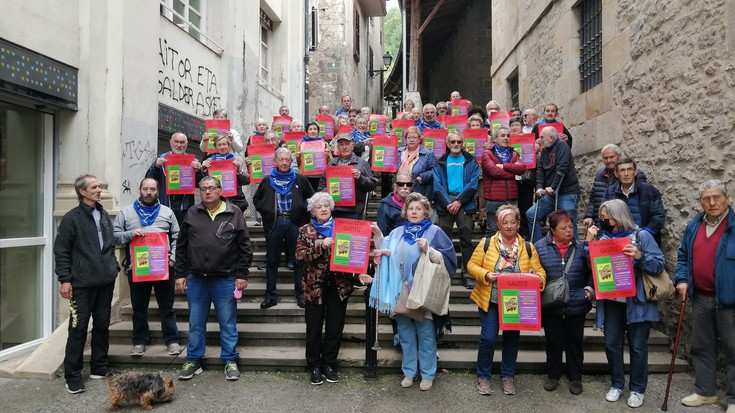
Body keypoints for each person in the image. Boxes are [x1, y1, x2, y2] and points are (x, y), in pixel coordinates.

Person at [372, 193, 457, 391]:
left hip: (423, 292)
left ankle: (428, 374)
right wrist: (378, 237)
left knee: (426, 334)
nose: (414, 212)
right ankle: (409, 372)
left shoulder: (435, 232)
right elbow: (384, 249)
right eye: (411, 208)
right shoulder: (397, 232)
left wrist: (430, 250)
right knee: (405, 334)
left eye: (418, 209)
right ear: (405, 211)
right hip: (399, 290)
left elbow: (448, 260)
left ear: (426, 212)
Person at [585, 199, 663, 408]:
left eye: (606, 218)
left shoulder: (642, 235)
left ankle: (637, 389)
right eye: (602, 218)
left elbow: (658, 264)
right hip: (611, 301)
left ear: (618, 216)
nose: (603, 221)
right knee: (612, 344)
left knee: (638, 347)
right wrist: (588, 242)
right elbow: (589, 266)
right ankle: (617, 384)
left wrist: (639, 256)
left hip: (636, 301)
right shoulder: (602, 237)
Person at [175, 176, 252, 382]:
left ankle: (229, 360)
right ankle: (193, 360)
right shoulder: (192, 213)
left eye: (211, 188)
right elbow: (181, 246)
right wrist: (180, 274)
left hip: (225, 278)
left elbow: (245, 247)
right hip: (197, 279)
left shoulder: (234, 213)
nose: (207, 192)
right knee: (196, 323)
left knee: (227, 323)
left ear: (220, 191)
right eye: (203, 189)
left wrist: (242, 274)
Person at [467, 204, 546, 396]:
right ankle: (483, 376)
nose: (509, 226)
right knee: (489, 338)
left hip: (515, 303)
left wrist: (537, 279)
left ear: (518, 224)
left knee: (512, 340)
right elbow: (471, 265)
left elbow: (541, 272)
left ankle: (508, 376)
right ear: (498, 224)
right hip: (490, 299)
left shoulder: (528, 247)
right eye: (505, 222)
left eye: (513, 222)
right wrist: (485, 274)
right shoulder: (487, 243)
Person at [296, 192, 373, 385]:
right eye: (318, 207)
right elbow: (299, 256)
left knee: (335, 327)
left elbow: (355, 255)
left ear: (331, 208)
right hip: (314, 286)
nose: (322, 209)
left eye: (325, 206)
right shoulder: (305, 230)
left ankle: (329, 364)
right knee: (313, 328)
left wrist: (360, 272)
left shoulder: (344, 227)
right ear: (312, 211)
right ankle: (314, 365)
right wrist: (320, 245)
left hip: (339, 286)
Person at [54, 174, 120, 394]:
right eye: (94, 187)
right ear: (82, 192)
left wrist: (114, 267)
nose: (99, 189)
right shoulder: (71, 218)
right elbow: (61, 250)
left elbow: (109, 244)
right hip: (81, 285)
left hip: (105, 281)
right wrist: (64, 279)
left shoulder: (102, 214)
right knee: (79, 328)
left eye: (99, 186)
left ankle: (99, 367)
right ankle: (72, 376)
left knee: (102, 325)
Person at [674, 180, 735, 412]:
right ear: (701, 202)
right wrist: (681, 279)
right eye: (706, 199)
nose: (712, 203)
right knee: (701, 346)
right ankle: (705, 392)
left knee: (734, 350)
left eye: (717, 197)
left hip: (730, 300)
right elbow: (682, 257)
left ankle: (734, 399)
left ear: (727, 198)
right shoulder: (694, 225)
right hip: (701, 298)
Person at [113, 178, 181, 357]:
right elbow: (114, 236)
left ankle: (172, 340)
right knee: (139, 308)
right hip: (138, 268)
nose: (149, 192)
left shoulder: (167, 212)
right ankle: (139, 341)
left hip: (164, 268)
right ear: (140, 190)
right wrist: (130, 234)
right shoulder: (126, 213)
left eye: (152, 189)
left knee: (167, 307)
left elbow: (178, 238)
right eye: (145, 189)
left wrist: (173, 259)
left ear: (158, 191)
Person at [535, 210, 593, 395]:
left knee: (575, 341)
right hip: (551, 305)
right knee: (553, 341)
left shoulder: (582, 247)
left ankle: (575, 377)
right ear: (552, 230)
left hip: (577, 303)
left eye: (570, 226)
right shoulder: (539, 247)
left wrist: (589, 290)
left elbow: (594, 269)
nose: (569, 231)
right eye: (564, 227)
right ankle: (553, 374)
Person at [254, 148, 315, 309]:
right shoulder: (267, 180)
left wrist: (302, 210)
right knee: (272, 261)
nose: (284, 162)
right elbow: (257, 199)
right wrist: (266, 211)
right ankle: (271, 296)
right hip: (275, 223)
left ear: (291, 161)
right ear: (275, 161)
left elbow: (312, 198)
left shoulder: (300, 179)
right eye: (281, 159)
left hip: (295, 223)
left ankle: (300, 294)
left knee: (297, 261)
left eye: (287, 159)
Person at [433, 131, 480, 290]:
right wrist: (448, 203)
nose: (455, 145)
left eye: (459, 142)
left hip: (464, 204)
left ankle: (467, 274)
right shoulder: (440, 162)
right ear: (447, 143)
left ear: (463, 143)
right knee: (444, 242)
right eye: (452, 142)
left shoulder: (471, 161)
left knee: (466, 241)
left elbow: (473, 184)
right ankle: (445, 272)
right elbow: (437, 186)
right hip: (445, 203)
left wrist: (459, 201)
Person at [526, 126, 580, 243]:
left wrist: (553, 187)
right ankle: (539, 246)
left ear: (551, 138)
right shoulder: (545, 149)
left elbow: (562, 168)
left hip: (567, 192)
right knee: (531, 214)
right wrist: (539, 187)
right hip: (551, 194)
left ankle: (575, 249)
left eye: (542, 137)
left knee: (568, 221)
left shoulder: (562, 146)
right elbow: (540, 170)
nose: (539, 139)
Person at [146, 132, 204, 225]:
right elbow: (148, 180)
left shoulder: (194, 162)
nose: (179, 145)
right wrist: (156, 167)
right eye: (176, 142)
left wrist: (198, 171)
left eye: (182, 142)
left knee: (183, 236)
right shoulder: (161, 159)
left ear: (186, 144)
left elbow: (201, 185)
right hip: (164, 207)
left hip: (185, 208)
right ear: (170, 143)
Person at [602, 158, 665, 246]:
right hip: (618, 242)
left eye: (629, 169)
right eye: (622, 170)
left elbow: (658, 216)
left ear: (635, 172)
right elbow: (604, 218)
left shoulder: (649, 190)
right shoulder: (609, 193)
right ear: (616, 174)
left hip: (646, 242)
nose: (626, 174)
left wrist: (644, 235)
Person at [318, 133, 375, 219]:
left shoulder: (362, 163)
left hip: (354, 210)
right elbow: (321, 187)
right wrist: (329, 190)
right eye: (341, 145)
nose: (344, 147)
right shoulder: (331, 163)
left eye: (347, 144)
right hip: (334, 209)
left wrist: (360, 178)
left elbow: (372, 185)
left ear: (352, 146)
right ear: (338, 147)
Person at [482, 127, 527, 235]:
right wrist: (513, 172)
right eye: (502, 136)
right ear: (495, 139)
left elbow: (522, 168)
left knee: (512, 231)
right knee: (493, 231)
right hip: (494, 199)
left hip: (512, 199)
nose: (506, 138)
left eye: (508, 136)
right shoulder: (487, 154)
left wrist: (503, 166)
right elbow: (493, 172)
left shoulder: (514, 153)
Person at [202, 135, 251, 213]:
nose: (222, 147)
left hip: (235, 201)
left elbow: (247, 181)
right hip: (216, 201)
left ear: (229, 145)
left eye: (224, 144)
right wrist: (203, 168)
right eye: (219, 145)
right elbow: (201, 183)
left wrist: (239, 170)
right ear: (215, 147)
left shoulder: (236, 161)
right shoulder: (209, 161)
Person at [397, 126, 437, 198]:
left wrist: (422, 177)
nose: (411, 140)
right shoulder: (399, 152)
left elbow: (435, 170)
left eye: (414, 137)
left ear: (419, 139)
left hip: (418, 191)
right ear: (406, 139)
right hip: (400, 191)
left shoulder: (427, 154)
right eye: (409, 137)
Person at [299, 122, 332, 192]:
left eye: (315, 129)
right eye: (310, 129)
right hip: (306, 177)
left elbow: (330, 163)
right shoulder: (301, 145)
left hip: (320, 176)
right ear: (306, 132)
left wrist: (328, 155)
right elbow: (298, 163)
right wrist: (298, 157)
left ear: (318, 132)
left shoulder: (324, 144)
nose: (313, 131)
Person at [377, 172, 412, 236]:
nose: (405, 187)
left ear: (412, 187)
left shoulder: (417, 203)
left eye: (408, 184)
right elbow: (381, 232)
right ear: (395, 187)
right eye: (401, 184)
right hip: (393, 243)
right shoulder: (385, 205)